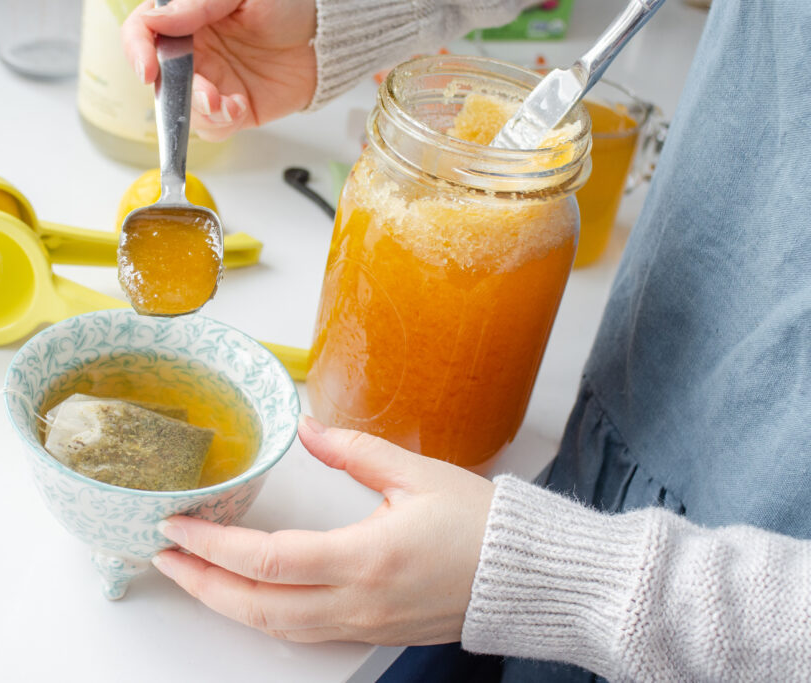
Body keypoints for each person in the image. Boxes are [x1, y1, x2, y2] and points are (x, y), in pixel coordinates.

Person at [123, 0, 811, 680]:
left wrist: (544, 573)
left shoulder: (544, 225)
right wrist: (335, 20)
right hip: (596, 476)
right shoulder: (386, 173)